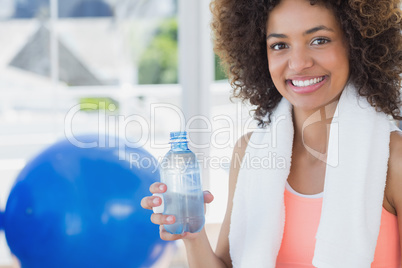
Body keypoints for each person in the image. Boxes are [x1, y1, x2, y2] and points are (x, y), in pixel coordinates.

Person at [141, 0, 402, 267]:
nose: (299, 63)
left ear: (356, 44)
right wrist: (193, 236)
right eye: (279, 45)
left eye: (320, 40)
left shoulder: (393, 158)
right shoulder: (249, 153)